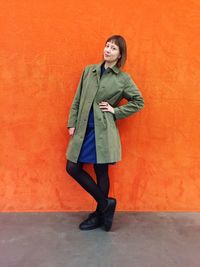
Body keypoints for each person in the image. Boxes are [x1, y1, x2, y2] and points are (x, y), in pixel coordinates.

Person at [66, 35, 144, 231]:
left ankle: (100, 214)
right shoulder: (89, 71)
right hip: (83, 129)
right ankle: (105, 204)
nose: (108, 50)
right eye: (107, 46)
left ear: (120, 55)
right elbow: (77, 98)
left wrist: (115, 111)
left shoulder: (123, 79)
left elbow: (138, 102)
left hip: (103, 131)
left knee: (101, 171)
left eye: (113, 48)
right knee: (72, 167)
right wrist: (71, 122)